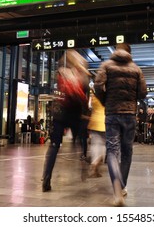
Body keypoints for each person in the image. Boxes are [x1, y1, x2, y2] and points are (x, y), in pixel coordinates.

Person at [94, 43, 147, 206]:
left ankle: (116, 186)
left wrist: (105, 101)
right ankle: (122, 186)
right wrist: (132, 100)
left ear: (116, 50)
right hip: (129, 114)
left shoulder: (106, 65)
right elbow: (143, 92)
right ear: (129, 53)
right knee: (127, 151)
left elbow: (97, 85)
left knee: (112, 150)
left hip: (112, 114)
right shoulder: (136, 69)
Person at [41, 49, 90, 192]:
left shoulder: (60, 72)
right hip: (74, 115)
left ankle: (47, 178)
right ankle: (83, 166)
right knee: (80, 142)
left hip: (59, 115)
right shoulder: (81, 75)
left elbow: (59, 93)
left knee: (54, 147)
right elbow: (83, 96)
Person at [87, 88, 106, 178]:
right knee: (104, 145)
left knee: (95, 144)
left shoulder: (93, 97)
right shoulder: (107, 97)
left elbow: (90, 106)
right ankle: (97, 162)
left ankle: (94, 163)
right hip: (105, 123)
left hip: (94, 122)